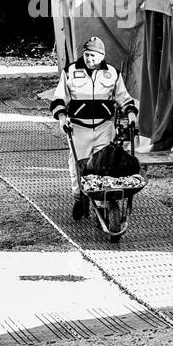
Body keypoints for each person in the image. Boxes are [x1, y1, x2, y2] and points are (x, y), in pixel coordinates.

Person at [51, 36, 137, 219]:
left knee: (103, 167)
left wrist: (131, 114)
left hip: (104, 128)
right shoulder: (70, 71)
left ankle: (103, 207)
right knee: (78, 167)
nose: (90, 59)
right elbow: (59, 98)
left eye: (93, 56)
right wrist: (61, 117)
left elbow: (124, 97)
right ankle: (79, 198)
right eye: (87, 55)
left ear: (102, 56)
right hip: (78, 129)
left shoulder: (113, 73)